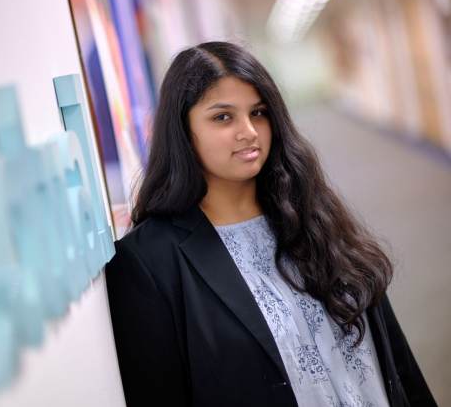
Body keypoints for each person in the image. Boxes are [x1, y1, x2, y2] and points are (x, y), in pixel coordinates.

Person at [104, 41, 436, 407]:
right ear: (182, 130)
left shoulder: (313, 211)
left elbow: (398, 361)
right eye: (223, 117)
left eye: (258, 113)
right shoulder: (149, 261)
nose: (249, 131)